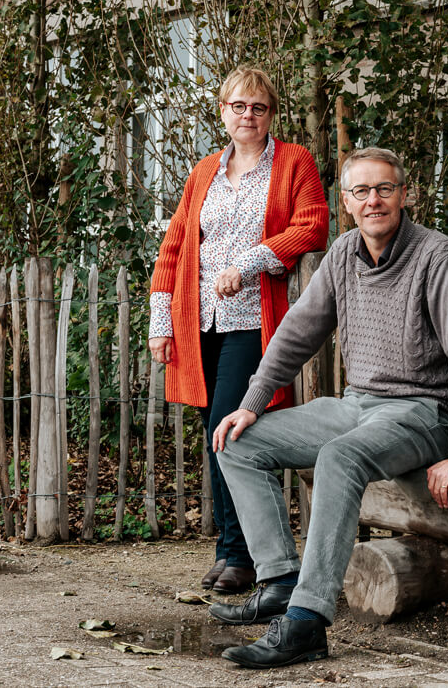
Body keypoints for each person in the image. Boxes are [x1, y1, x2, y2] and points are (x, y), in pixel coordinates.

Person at [206, 147, 448, 669]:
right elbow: (296, 333)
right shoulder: (342, 254)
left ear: (405, 194)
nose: (374, 200)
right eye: (361, 191)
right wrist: (250, 404)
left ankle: (306, 622)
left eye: (384, 188)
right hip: (357, 404)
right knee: (236, 441)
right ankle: (281, 581)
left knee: (339, 457)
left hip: (423, 411)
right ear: (347, 202)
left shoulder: (436, 255)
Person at [147, 66, 329, 595]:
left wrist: (248, 263)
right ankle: (233, 548)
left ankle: (246, 554)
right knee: (215, 434)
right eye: (238, 106)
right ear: (222, 111)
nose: (248, 115)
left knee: (234, 429)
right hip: (199, 319)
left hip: (255, 318)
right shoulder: (204, 170)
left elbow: (312, 223)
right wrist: (163, 325)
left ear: (271, 113)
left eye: (259, 107)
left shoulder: (294, 161)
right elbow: (175, 247)